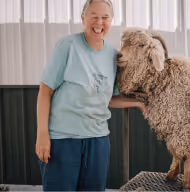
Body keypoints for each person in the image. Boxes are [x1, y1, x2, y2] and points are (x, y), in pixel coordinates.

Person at [37, 1, 143, 191]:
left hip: (98, 141)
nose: (99, 23)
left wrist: (137, 102)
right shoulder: (68, 46)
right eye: (94, 16)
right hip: (62, 141)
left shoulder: (113, 56)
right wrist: (42, 135)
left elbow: (107, 99)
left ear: (111, 21)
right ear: (83, 18)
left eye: (105, 18)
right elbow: (45, 91)